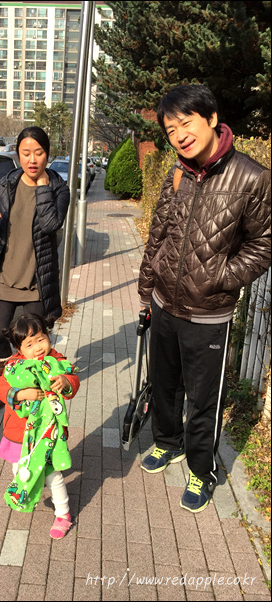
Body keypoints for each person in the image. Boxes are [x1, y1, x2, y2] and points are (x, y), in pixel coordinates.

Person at [138, 84, 271, 513]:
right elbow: (159, 231)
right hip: (164, 303)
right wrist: (147, 290)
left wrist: (222, 277)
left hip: (208, 313)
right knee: (163, 384)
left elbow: (264, 243)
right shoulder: (177, 172)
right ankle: (167, 442)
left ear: (212, 118)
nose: (179, 135)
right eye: (170, 129)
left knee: (203, 399)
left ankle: (202, 470)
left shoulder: (252, 177)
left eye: (186, 123)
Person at [0, 126, 70, 409]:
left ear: (47, 154)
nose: (32, 159)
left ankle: (35, 391)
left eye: (39, 153)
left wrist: (42, 186)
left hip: (37, 281)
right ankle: (8, 387)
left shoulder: (59, 188)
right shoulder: (5, 184)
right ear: (17, 154)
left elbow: (50, 224)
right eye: (26, 153)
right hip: (5, 275)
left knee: (31, 343)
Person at [0, 313, 80, 538]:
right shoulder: (13, 367)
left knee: (52, 475)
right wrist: (21, 394)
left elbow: (72, 378)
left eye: (41, 339)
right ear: (18, 348)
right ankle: (31, 485)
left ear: (48, 336)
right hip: (19, 434)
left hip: (47, 433)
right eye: (29, 344)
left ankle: (63, 514)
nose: (38, 348)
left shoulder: (56, 361)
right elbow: (2, 388)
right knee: (19, 469)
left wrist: (65, 381)